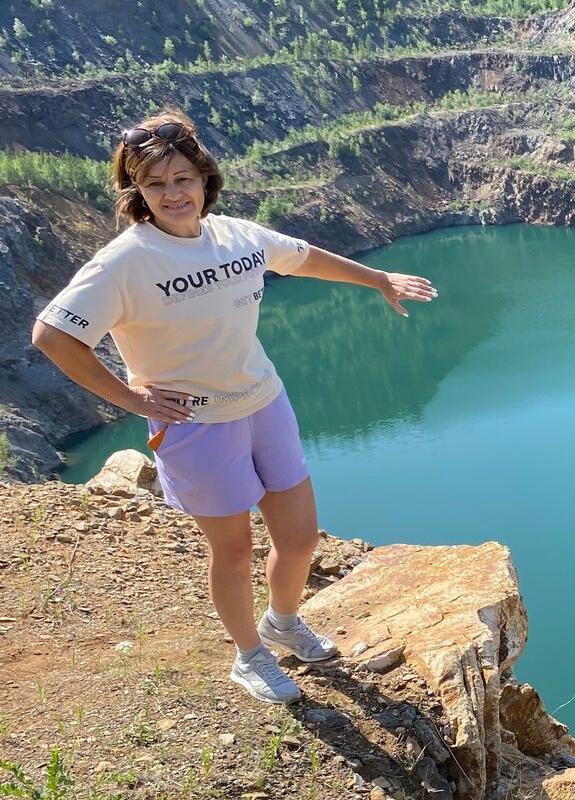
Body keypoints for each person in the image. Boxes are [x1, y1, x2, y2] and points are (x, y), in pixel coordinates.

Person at [31, 109, 437, 704]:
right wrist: (130, 396)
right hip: (196, 424)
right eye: (156, 184)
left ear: (204, 178)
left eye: (182, 178)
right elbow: (53, 335)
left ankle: (282, 623)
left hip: (264, 401)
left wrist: (377, 279)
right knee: (234, 547)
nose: (173, 193)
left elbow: (303, 257)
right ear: (137, 193)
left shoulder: (236, 235)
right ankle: (249, 658)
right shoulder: (125, 261)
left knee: (299, 540)